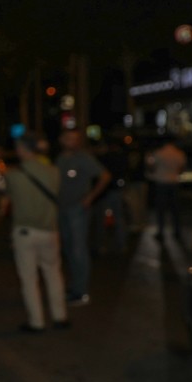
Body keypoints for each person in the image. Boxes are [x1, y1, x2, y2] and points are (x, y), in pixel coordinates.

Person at [1, 132, 70, 332]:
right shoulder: (54, 172)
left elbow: (9, 197)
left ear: (23, 149)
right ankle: (60, 316)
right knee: (53, 273)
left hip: (25, 232)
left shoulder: (13, 175)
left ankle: (37, 321)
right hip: (49, 230)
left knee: (29, 279)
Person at [55, 128, 111, 305]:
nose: (73, 142)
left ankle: (81, 291)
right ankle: (74, 286)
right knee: (69, 248)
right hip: (62, 208)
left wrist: (90, 197)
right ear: (62, 139)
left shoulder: (83, 158)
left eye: (76, 139)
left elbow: (105, 176)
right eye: (69, 138)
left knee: (79, 249)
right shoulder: (60, 159)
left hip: (77, 209)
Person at [91, 138, 129, 255]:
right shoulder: (119, 157)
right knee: (118, 218)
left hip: (104, 193)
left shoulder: (100, 159)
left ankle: (102, 245)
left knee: (102, 220)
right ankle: (121, 245)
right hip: (114, 191)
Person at [148, 136, 188, 240]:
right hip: (174, 182)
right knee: (175, 208)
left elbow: (151, 167)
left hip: (161, 183)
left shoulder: (158, 153)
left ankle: (161, 231)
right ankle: (177, 231)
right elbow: (181, 169)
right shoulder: (179, 153)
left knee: (161, 209)